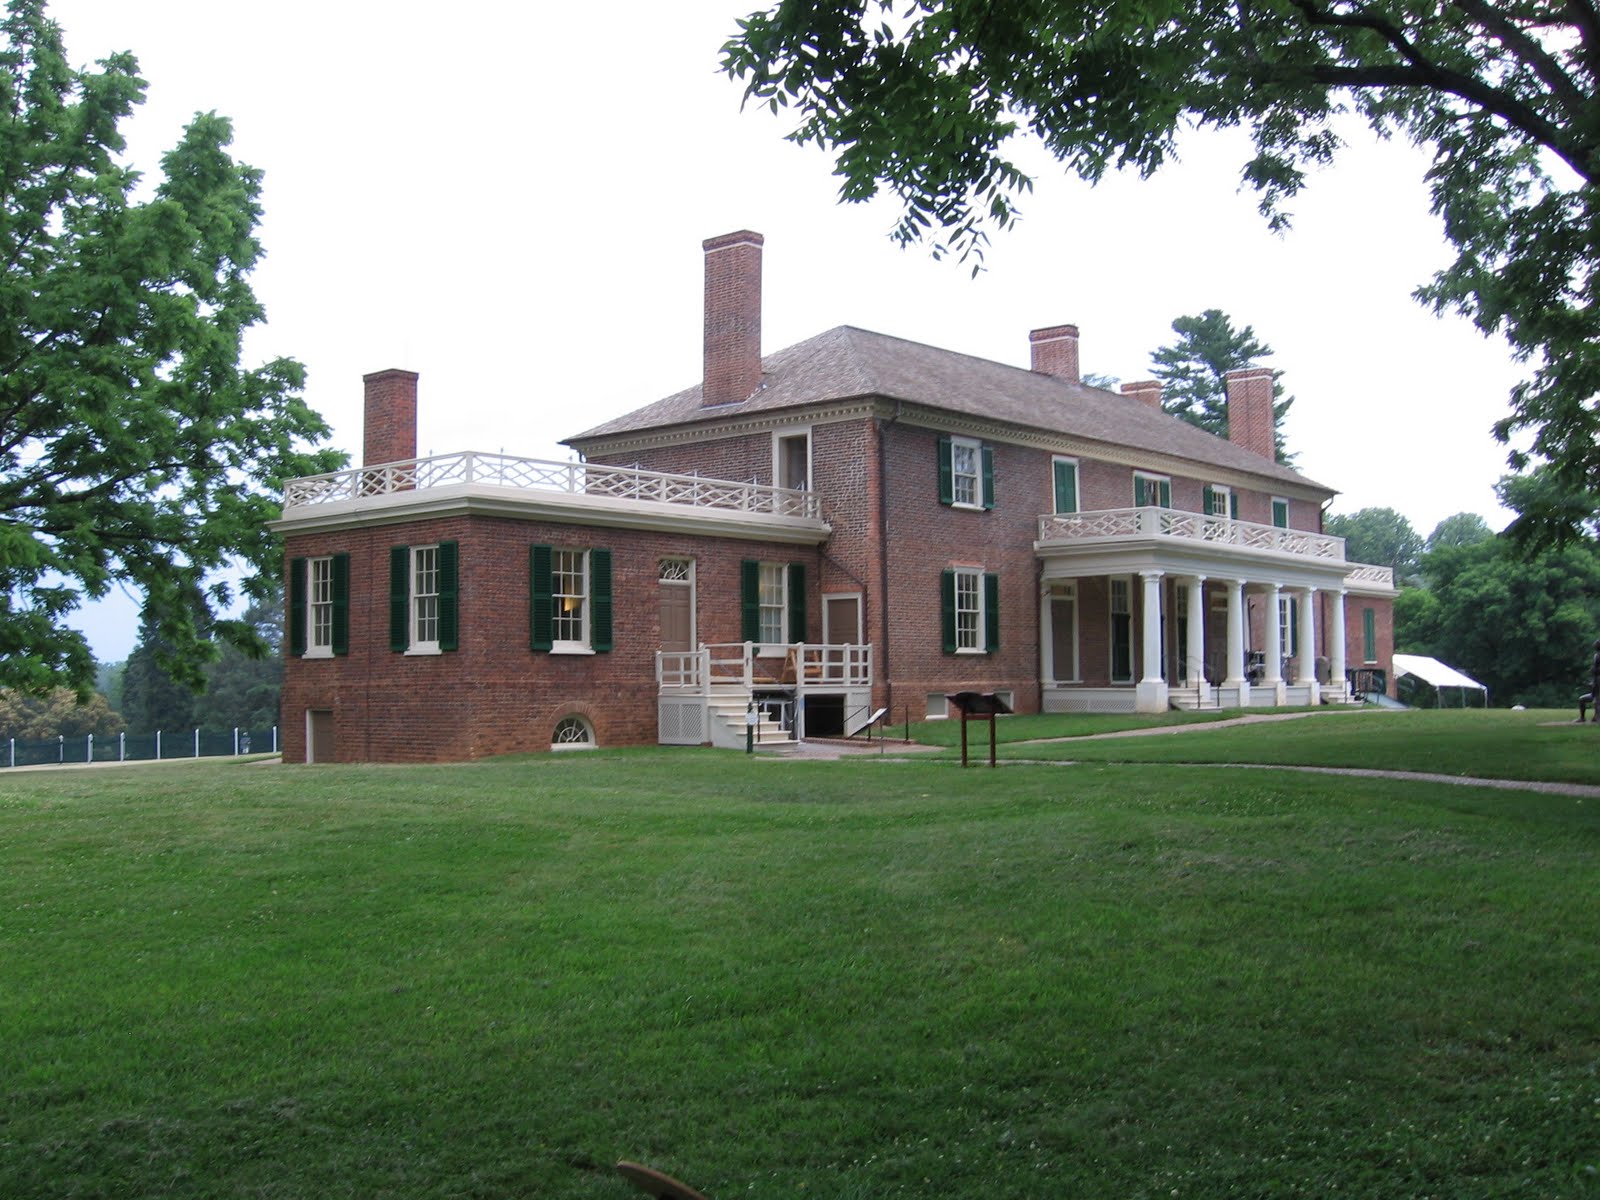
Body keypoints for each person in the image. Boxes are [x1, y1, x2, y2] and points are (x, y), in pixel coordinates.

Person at [1579, 639, 1600, 722]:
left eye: (1597, 644)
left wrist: (1594, 670)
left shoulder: (1597, 656)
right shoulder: (1596, 655)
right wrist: (1591, 683)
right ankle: (1582, 718)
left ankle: (1597, 717)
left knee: (1596, 701)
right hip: (1594, 693)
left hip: (1597, 695)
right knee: (1582, 699)